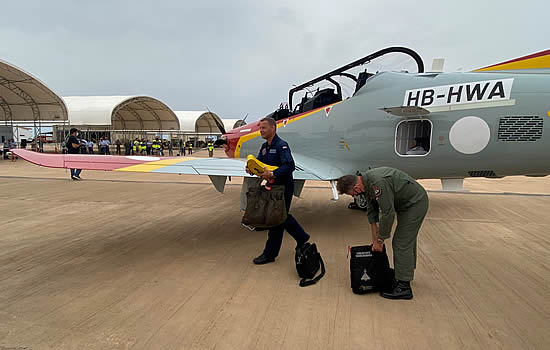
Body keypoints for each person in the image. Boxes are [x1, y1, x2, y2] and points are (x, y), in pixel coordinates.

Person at [336, 167, 429, 300]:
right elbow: (372, 213)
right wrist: (374, 240)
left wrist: (380, 240)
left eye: (353, 194)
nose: (354, 196)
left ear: (356, 187)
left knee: (401, 242)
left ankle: (404, 287)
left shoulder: (378, 183)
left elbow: (387, 213)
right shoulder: (366, 183)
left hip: (415, 203)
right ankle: (403, 273)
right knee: (406, 240)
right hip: (404, 204)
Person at [246, 117, 310, 264]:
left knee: (276, 219)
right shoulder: (264, 147)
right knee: (281, 216)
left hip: (284, 187)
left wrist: (273, 174)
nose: (260, 130)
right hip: (272, 187)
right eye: (260, 128)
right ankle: (302, 237)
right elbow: (259, 164)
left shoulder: (282, 146)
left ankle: (270, 254)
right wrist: (251, 169)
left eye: (263, 128)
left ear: (273, 128)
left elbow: (290, 166)